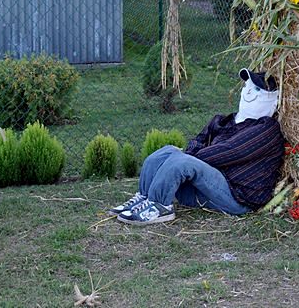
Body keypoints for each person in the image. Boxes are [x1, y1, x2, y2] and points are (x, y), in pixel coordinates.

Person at [111, 69, 285, 225]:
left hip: (237, 198)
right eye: (247, 86)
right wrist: (186, 155)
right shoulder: (225, 120)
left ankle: (160, 207)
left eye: (257, 90)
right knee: (166, 152)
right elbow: (197, 140)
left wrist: (187, 158)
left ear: (272, 99)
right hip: (207, 190)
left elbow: (228, 151)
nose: (248, 92)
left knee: (182, 161)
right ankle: (145, 197)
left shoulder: (266, 129)